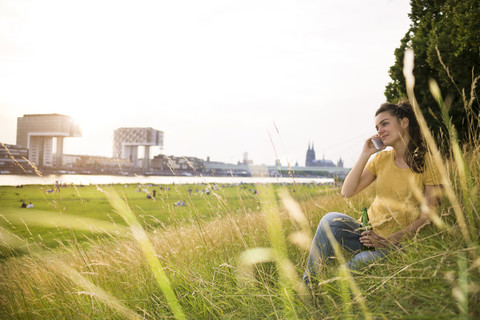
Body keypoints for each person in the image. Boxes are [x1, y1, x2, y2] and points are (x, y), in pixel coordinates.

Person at [303, 100, 442, 283]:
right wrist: (365, 154)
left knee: (361, 261)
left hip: (396, 243)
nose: (380, 130)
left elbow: (429, 216)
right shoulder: (381, 159)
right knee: (329, 220)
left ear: (404, 122)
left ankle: (329, 286)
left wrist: (390, 240)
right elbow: (347, 191)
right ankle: (308, 285)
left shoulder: (428, 162)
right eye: (377, 127)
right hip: (364, 234)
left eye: (385, 123)